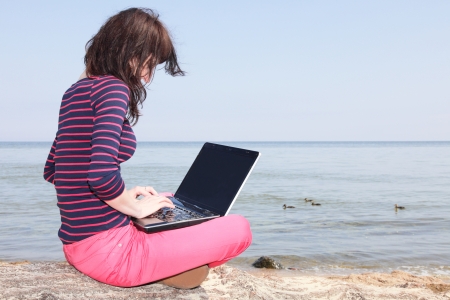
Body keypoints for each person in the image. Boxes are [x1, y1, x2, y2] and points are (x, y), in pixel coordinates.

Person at [43, 8, 252, 289]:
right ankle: (168, 266)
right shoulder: (114, 89)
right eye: (148, 63)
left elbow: (53, 169)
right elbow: (101, 177)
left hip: (76, 245)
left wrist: (125, 200)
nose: (148, 76)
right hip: (112, 256)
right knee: (239, 227)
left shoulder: (74, 91)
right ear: (127, 52)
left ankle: (167, 260)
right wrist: (129, 207)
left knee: (169, 199)